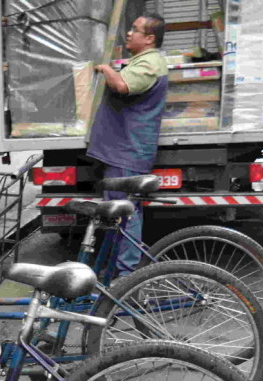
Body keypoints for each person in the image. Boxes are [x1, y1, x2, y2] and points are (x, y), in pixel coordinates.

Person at [86, 14, 168, 276]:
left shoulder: (150, 62)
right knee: (120, 212)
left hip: (127, 151)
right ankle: (117, 271)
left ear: (150, 38)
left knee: (125, 213)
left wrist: (106, 68)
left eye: (135, 29)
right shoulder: (143, 60)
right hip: (123, 150)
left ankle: (126, 275)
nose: (129, 33)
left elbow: (122, 85)